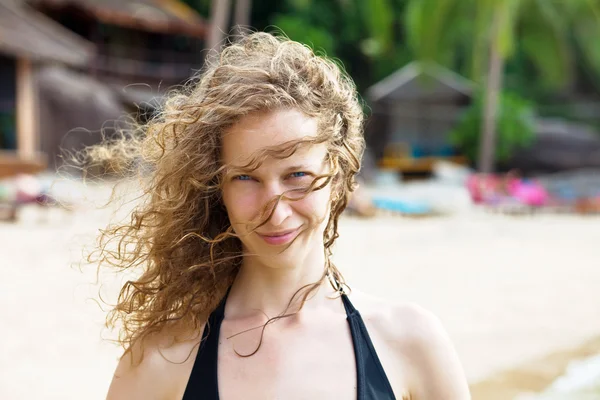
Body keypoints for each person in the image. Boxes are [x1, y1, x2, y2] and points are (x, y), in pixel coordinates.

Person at [97, 32, 470, 399]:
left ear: (338, 178)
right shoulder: (161, 359)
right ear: (217, 189)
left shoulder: (411, 343)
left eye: (297, 176)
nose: (275, 211)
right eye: (246, 177)